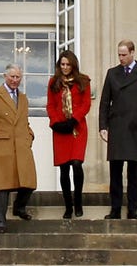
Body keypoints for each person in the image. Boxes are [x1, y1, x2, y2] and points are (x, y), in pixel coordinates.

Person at [98, 39, 137, 220]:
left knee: (133, 173)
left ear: (133, 52)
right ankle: (115, 210)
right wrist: (103, 126)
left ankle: (132, 210)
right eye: (119, 54)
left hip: (135, 128)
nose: (121, 58)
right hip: (117, 127)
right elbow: (104, 103)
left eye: (124, 55)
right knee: (115, 172)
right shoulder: (112, 74)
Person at [0, 62, 37, 233]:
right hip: (2, 146)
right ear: (5, 76)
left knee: (29, 183)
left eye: (18, 77)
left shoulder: (23, 98)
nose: (15, 80)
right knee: (2, 186)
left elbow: (24, 121)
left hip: (21, 145)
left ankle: (19, 208)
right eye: (12, 77)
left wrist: (29, 135)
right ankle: (0, 221)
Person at [46, 49, 91, 219]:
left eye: (68, 64)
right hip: (60, 129)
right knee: (64, 168)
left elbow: (86, 104)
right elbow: (50, 105)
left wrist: (74, 119)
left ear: (73, 65)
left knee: (77, 164)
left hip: (77, 128)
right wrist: (56, 122)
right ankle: (68, 206)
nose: (65, 67)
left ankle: (78, 201)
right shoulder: (53, 82)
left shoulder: (83, 81)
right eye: (62, 64)